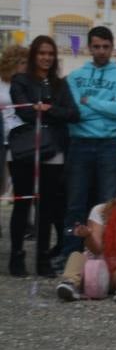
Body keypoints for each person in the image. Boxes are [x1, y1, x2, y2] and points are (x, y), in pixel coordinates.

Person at [62, 26, 116, 265]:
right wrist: (104, 107)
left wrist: (89, 100)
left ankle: (105, 252)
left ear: (112, 47)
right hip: (79, 142)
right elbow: (75, 112)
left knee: (107, 202)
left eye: (105, 47)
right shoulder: (74, 77)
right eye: (96, 46)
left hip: (109, 144)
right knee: (75, 201)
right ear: (89, 47)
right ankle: (70, 254)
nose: (101, 51)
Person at [8, 36, 78, 277]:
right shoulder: (20, 80)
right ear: (34, 55)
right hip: (27, 150)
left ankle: (42, 259)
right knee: (22, 203)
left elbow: (72, 113)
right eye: (41, 53)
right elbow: (25, 112)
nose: (46, 58)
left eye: (50, 53)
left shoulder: (60, 84)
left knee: (47, 207)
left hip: (53, 150)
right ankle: (17, 256)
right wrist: (45, 111)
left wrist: (47, 110)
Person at [56, 178, 116, 304]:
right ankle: (69, 284)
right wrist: (88, 235)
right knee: (76, 255)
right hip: (96, 270)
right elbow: (96, 249)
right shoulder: (100, 210)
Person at [0, 45, 26, 232]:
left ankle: (25, 224)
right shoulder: (2, 82)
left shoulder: (24, 83)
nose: (26, 66)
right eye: (23, 62)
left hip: (19, 137)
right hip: (2, 135)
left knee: (20, 183)